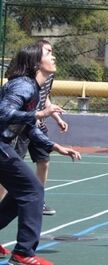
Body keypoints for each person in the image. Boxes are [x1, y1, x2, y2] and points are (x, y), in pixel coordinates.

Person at [0, 43, 81, 265]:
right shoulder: (23, 86)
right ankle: (23, 253)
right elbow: (4, 112)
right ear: (36, 62)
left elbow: (28, 127)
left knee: (22, 192)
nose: (53, 57)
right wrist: (39, 113)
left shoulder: (32, 88)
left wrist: (54, 146)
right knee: (33, 190)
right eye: (48, 53)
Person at [12, 40, 68, 216]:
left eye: (52, 51)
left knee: (44, 161)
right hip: (22, 127)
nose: (53, 56)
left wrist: (56, 117)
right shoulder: (24, 79)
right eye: (48, 52)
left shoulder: (49, 74)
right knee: (12, 167)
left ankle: (38, 201)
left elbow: (45, 97)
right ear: (36, 57)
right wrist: (34, 115)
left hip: (38, 125)